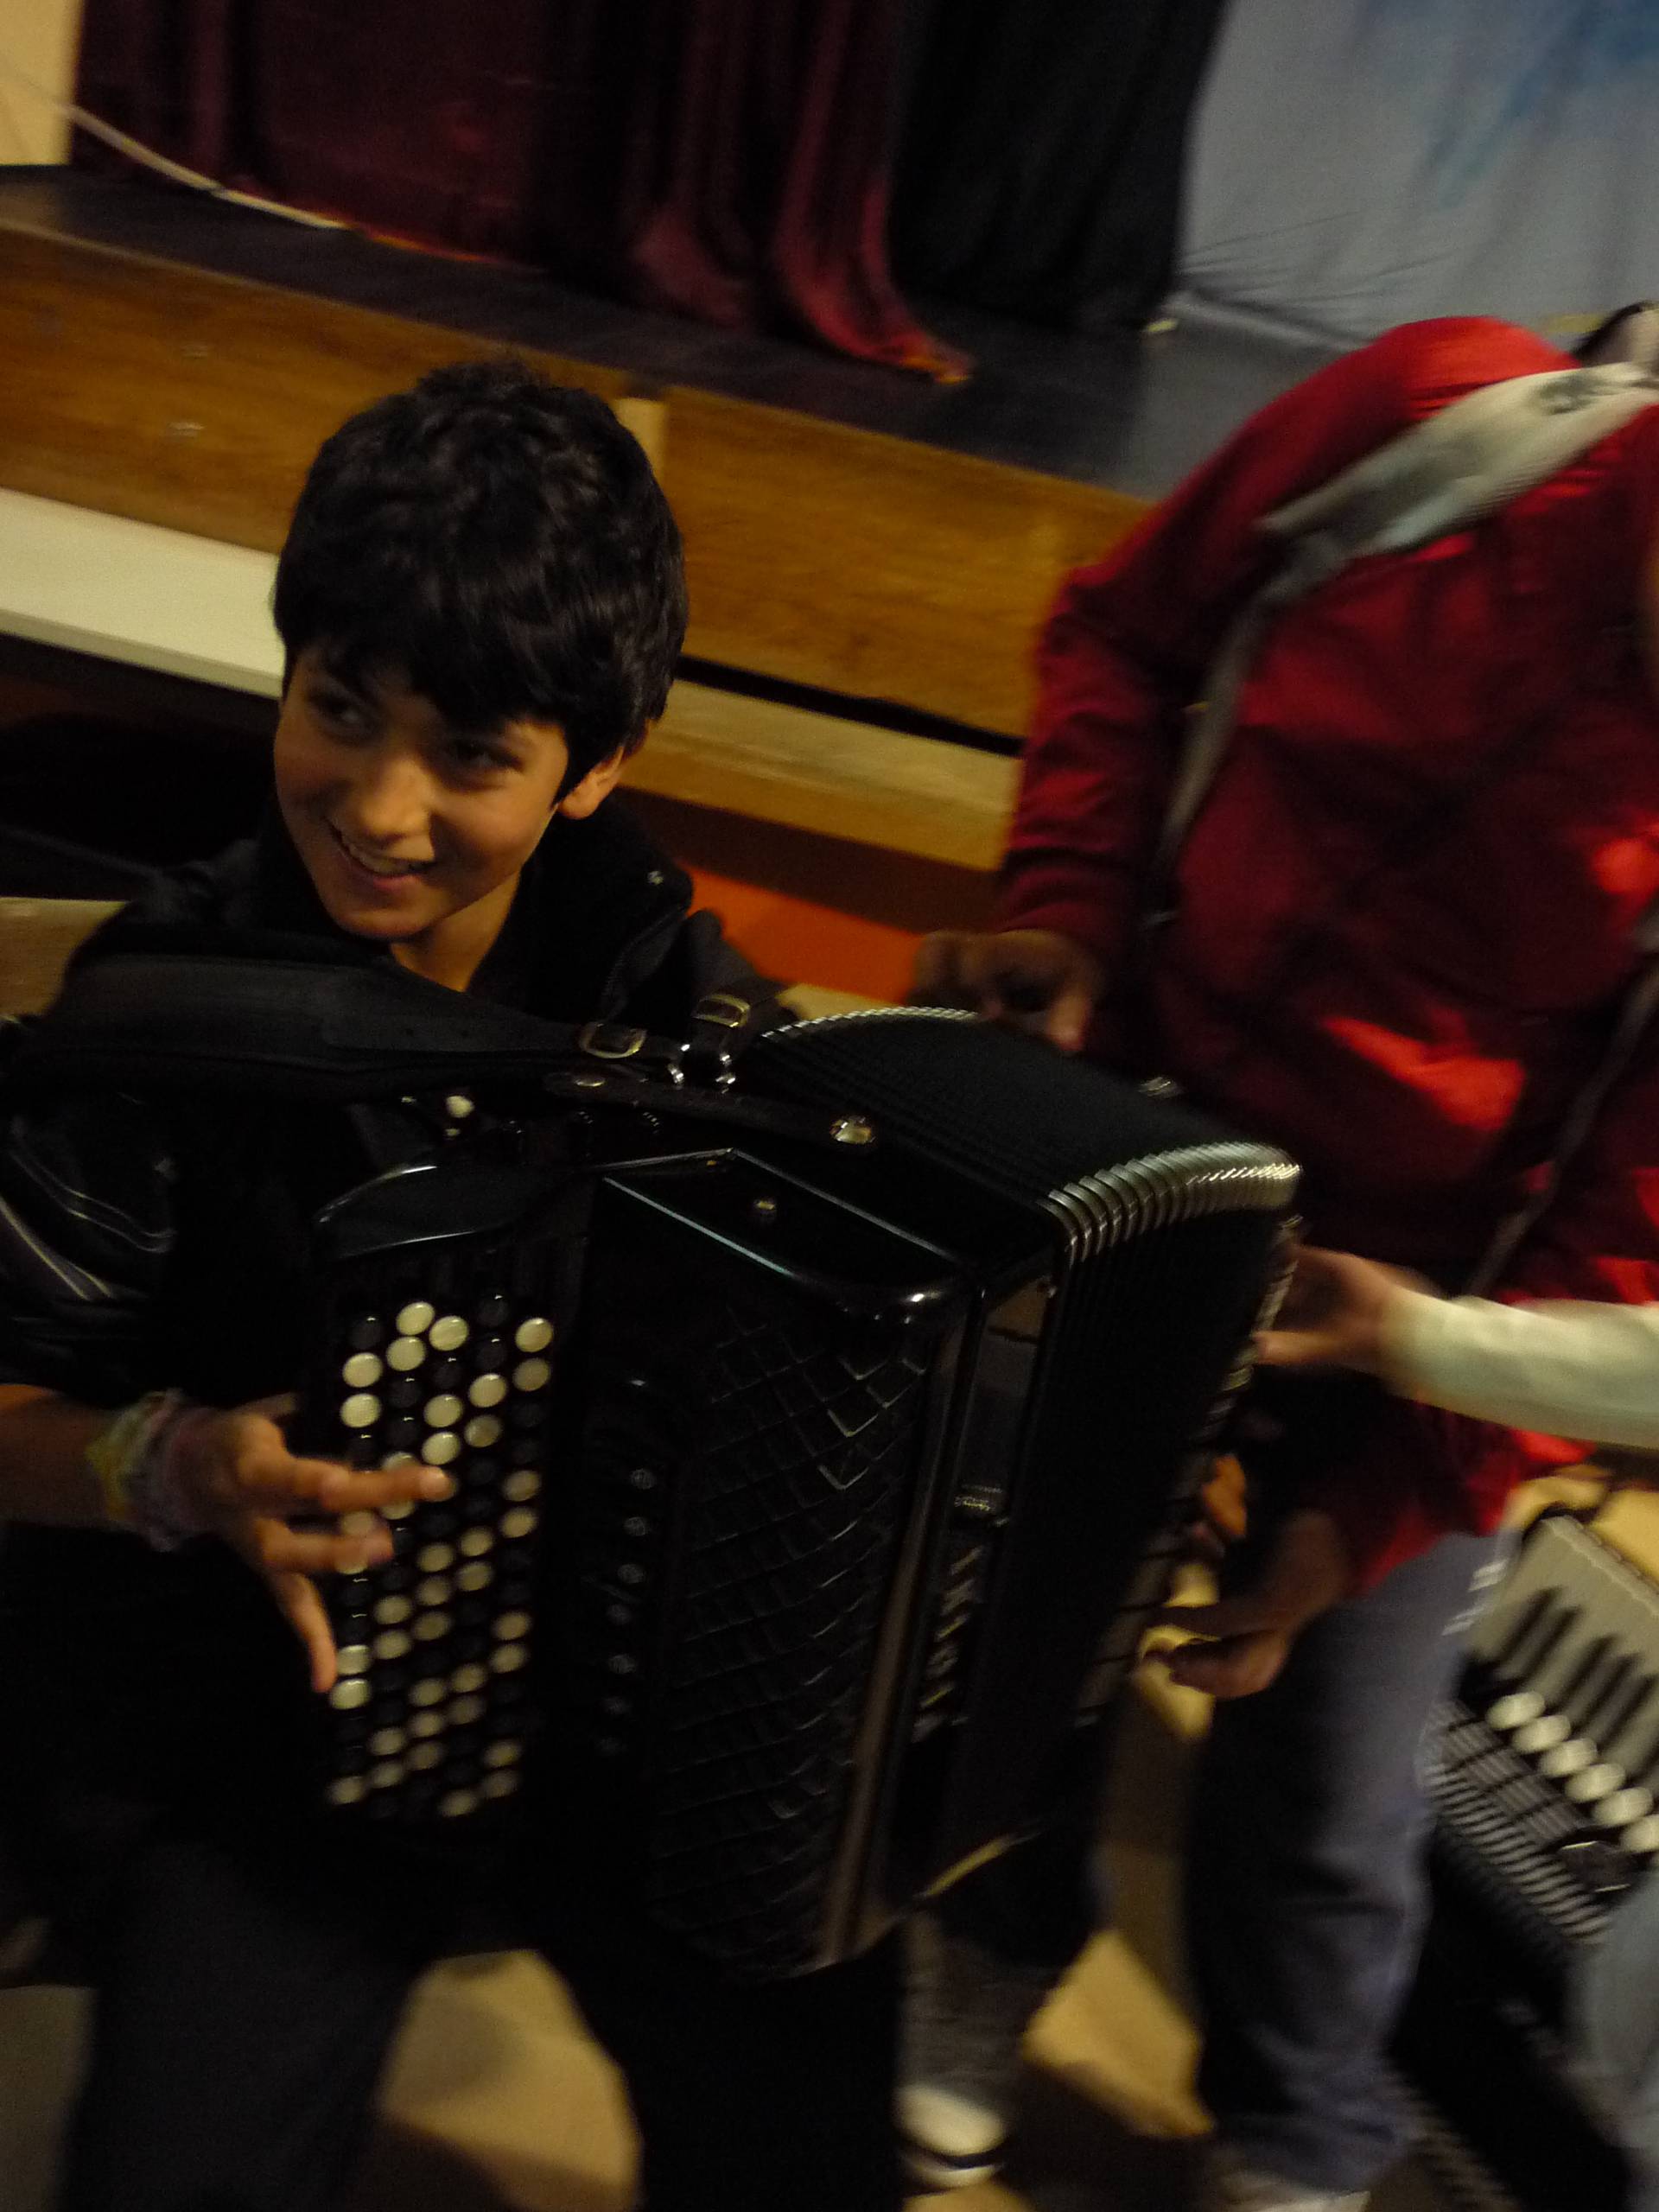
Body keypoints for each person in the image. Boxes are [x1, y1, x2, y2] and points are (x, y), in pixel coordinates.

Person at [0, 359, 899, 2212]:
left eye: (474, 754)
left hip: (626, 1743)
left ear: (598, 764)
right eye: (341, 709)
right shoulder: (163, 1017)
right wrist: (174, 1463)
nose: (382, 807)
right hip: (269, 1738)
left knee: (812, 2111)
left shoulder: (692, 1022)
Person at [904, 315, 1659, 2210]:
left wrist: (1388, 1490)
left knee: (1326, 1787)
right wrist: (1071, 910)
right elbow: (1125, 637)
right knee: (1010, 1652)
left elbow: (1619, 1252)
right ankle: (994, 1948)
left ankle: (1298, 2144)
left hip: (1420, 1315)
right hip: (1130, 1163)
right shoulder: (1445, 421)